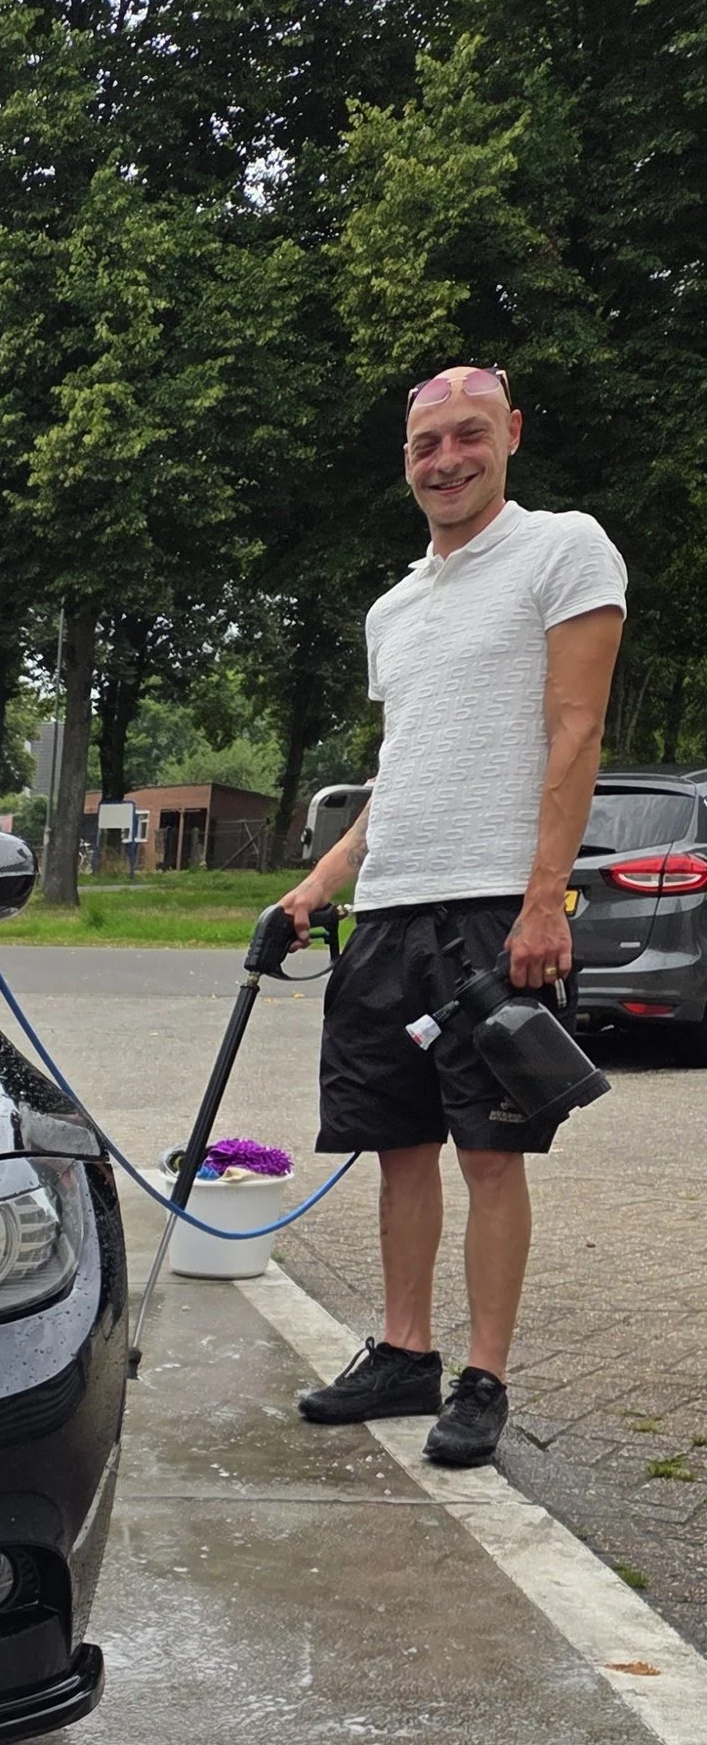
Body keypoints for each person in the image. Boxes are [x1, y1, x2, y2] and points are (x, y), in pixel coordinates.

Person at [284, 366, 625, 1466]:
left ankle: (482, 1377)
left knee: (490, 1151)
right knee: (396, 1145)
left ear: (510, 434)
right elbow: (404, 772)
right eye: (426, 443)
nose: (446, 460)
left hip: (493, 908)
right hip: (388, 912)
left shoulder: (562, 549)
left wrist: (543, 900)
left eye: (468, 435)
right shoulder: (393, 607)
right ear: (406, 460)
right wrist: (315, 887)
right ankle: (401, 1352)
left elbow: (575, 732)